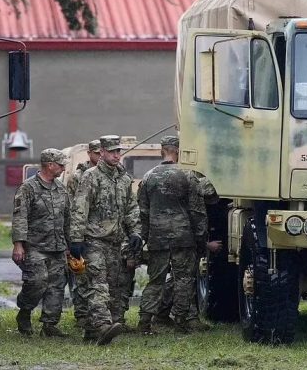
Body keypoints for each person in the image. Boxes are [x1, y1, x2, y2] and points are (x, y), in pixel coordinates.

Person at [70, 135, 142, 345]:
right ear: (101, 152)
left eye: (118, 151)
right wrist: (76, 239)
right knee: (97, 284)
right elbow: (79, 209)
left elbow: (131, 208)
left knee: (112, 286)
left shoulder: (124, 178)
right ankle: (103, 326)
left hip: (115, 241)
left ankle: (92, 332)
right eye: (112, 152)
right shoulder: (91, 177)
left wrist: (135, 232)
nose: (116, 155)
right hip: (93, 240)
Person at [137, 135, 207, 334]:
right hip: (182, 237)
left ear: (162, 151)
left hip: (157, 237)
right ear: (178, 151)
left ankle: (144, 322)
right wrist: (201, 237)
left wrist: (143, 236)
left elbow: (142, 211)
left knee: (155, 280)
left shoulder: (148, 176)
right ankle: (181, 322)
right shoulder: (187, 175)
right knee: (183, 279)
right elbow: (197, 211)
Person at [12, 148, 70, 337]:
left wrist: (70, 245)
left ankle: (50, 325)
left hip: (58, 245)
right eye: (61, 165)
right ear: (50, 165)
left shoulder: (61, 189)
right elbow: (20, 216)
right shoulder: (28, 188)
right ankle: (25, 312)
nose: (63, 168)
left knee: (56, 286)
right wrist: (18, 244)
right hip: (35, 245)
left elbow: (67, 218)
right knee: (37, 281)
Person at [156, 172, 222, 330]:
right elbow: (193, 227)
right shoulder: (193, 202)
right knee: (184, 278)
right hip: (184, 242)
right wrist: (207, 245)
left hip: (175, 239)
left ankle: (163, 314)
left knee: (178, 278)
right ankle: (183, 318)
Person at [66, 139, 101, 328]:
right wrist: (75, 237)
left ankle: (98, 315)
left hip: (102, 234)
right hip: (83, 232)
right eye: (96, 153)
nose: (100, 157)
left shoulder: (108, 174)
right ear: (90, 154)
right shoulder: (78, 177)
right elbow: (73, 208)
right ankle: (82, 315)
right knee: (81, 275)